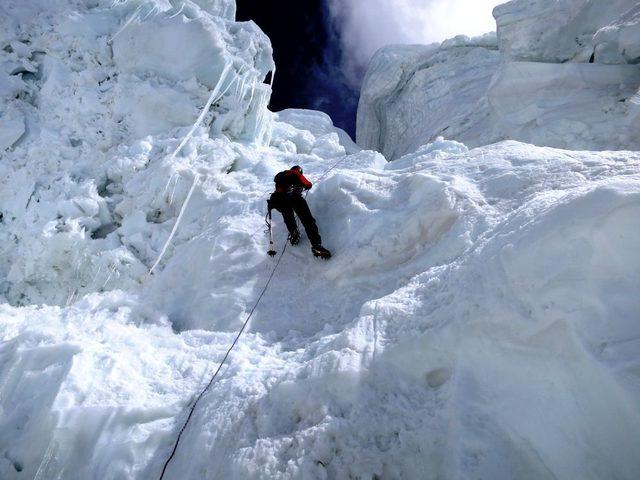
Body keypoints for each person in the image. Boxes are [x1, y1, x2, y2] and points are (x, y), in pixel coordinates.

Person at [268, 165, 331, 259]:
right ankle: (316, 245)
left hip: (278, 200)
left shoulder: (282, 175)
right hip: (293, 198)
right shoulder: (296, 173)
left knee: (288, 215)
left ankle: (293, 232)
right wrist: (305, 186)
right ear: (299, 171)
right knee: (308, 221)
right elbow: (308, 184)